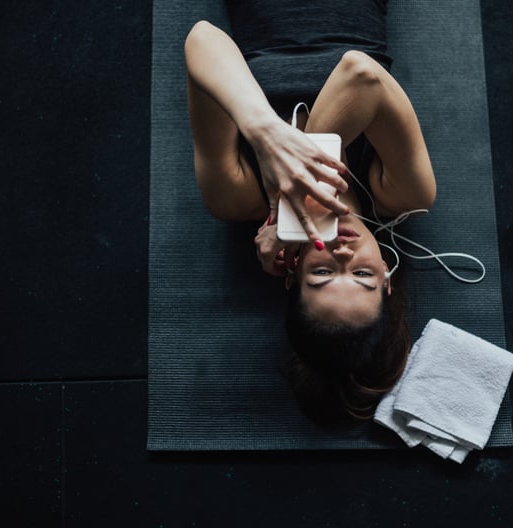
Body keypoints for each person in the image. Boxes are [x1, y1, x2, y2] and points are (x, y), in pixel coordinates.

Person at [184, 1, 436, 423]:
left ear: (291, 275)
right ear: (388, 279)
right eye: (362, 276)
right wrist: (286, 168)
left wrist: (267, 137)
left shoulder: (236, 198)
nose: (343, 256)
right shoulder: (403, 195)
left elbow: (203, 38)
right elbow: (360, 74)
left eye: (322, 275)